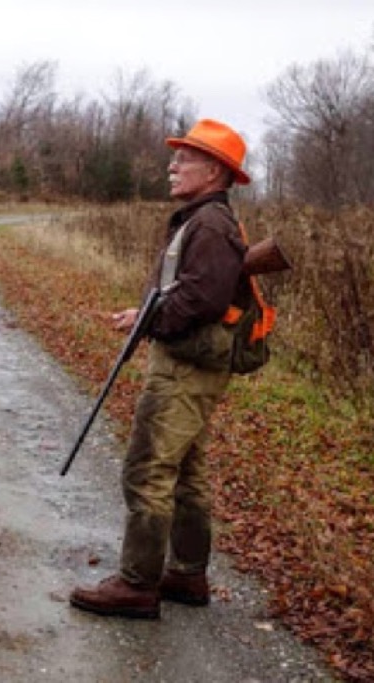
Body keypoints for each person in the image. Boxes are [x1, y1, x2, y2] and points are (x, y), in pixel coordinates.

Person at [69, 119, 253, 620]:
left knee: (148, 467)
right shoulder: (202, 219)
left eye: (184, 158)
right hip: (189, 360)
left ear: (214, 170)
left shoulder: (210, 224)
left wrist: (154, 321)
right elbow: (187, 293)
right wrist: (144, 314)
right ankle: (187, 573)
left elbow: (204, 298)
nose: (172, 166)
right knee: (186, 471)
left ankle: (136, 583)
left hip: (184, 368)